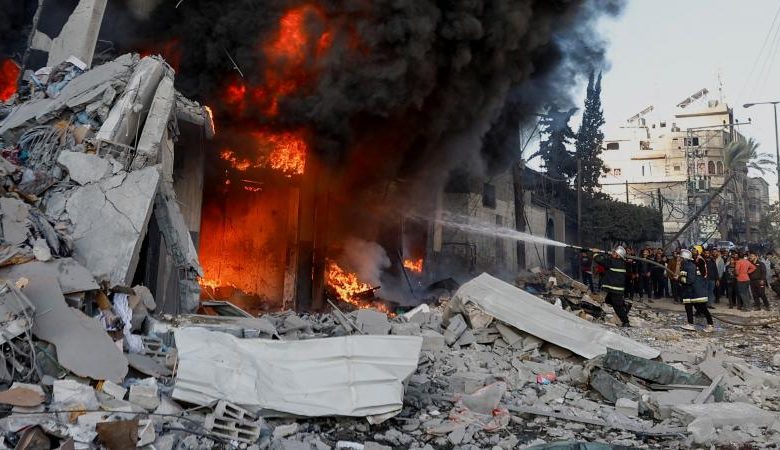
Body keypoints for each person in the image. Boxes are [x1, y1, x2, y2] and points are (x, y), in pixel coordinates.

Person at [594, 246, 631, 327]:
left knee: (617, 306)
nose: (612, 253)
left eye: (614, 253)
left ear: (618, 256)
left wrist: (596, 253)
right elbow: (606, 260)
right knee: (608, 300)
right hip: (613, 287)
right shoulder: (619, 262)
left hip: (615, 288)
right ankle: (624, 305)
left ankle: (626, 322)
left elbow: (600, 260)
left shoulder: (613, 262)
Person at [679, 249, 714, 332]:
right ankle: (690, 324)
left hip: (695, 292)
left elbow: (689, 280)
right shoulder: (689, 265)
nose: (679, 259)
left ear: (684, 259)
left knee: (702, 308)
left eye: (681, 258)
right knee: (689, 307)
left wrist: (679, 279)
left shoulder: (688, 266)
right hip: (692, 292)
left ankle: (710, 325)